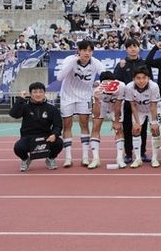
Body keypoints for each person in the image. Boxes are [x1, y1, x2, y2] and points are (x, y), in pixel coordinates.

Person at [56, 40, 105, 168]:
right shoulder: (69, 60)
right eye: (84, 50)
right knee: (67, 124)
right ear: (78, 51)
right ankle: (68, 157)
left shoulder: (95, 62)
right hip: (67, 96)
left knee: (84, 124)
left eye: (89, 50)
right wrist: (73, 62)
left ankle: (85, 157)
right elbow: (59, 77)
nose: (87, 53)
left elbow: (106, 76)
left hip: (84, 97)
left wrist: (99, 83)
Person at [9, 82, 63, 172]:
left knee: (59, 143)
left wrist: (54, 135)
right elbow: (13, 114)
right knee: (18, 147)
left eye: (41, 92)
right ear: (30, 94)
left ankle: (50, 158)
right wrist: (20, 99)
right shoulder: (25, 106)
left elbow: (58, 125)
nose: (38, 94)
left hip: (46, 137)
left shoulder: (52, 108)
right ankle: (26, 160)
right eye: (35, 92)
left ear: (44, 93)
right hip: (28, 138)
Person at [115, 38, 149, 163]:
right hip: (127, 102)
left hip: (142, 102)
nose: (133, 49)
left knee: (142, 128)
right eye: (130, 47)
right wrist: (120, 68)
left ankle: (142, 152)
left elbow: (149, 80)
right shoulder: (122, 64)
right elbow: (116, 81)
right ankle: (128, 153)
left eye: (135, 46)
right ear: (126, 49)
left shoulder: (144, 63)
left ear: (139, 48)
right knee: (127, 127)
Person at [125, 66, 161, 168]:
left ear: (148, 78)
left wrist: (154, 122)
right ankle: (138, 159)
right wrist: (137, 123)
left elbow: (153, 106)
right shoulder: (129, 87)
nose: (141, 81)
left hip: (153, 109)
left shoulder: (154, 86)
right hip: (139, 110)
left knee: (155, 130)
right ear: (134, 79)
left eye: (144, 78)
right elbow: (133, 105)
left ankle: (154, 158)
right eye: (138, 78)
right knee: (135, 130)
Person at [88, 71, 126, 169]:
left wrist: (116, 122)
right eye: (106, 82)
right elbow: (96, 114)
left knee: (119, 129)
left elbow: (118, 105)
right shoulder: (97, 89)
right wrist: (97, 100)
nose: (108, 84)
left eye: (110, 81)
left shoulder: (121, 86)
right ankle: (95, 158)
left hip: (115, 105)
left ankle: (119, 158)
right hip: (103, 104)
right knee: (95, 127)